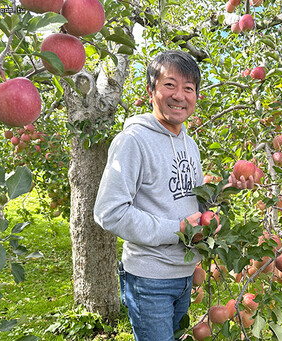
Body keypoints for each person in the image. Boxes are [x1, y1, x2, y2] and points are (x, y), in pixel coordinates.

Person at [93, 50, 205, 341]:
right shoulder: (133, 141)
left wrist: (226, 191)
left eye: (188, 88)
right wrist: (177, 229)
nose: (179, 95)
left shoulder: (190, 144)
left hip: (184, 275)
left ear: (196, 96)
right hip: (149, 279)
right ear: (151, 90)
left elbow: (190, 202)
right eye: (170, 85)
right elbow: (109, 212)